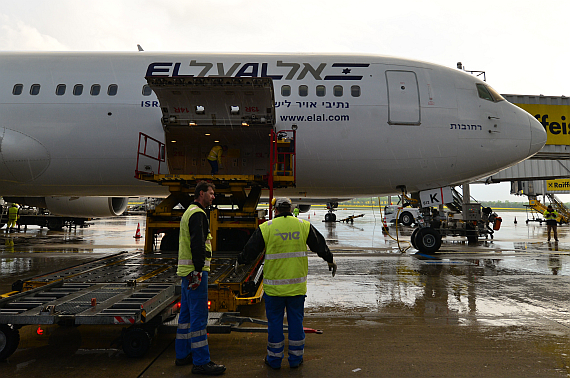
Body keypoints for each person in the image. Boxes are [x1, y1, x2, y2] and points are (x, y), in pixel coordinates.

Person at [237, 197, 337, 370]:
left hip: (274, 289)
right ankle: (296, 359)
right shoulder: (303, 226)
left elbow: (250, 250)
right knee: (296, 323)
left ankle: (274, 360)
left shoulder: (266, 228)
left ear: (275, 210)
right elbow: (319, 245)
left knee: (275, 323)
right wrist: (330, 260)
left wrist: (240, 262)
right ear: (291, 209)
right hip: (296, 288)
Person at [176, 181, 226, 375]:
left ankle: (182, 355)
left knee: (186, 317)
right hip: (195, 273)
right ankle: (201, 361)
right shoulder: (198, 214)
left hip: (185, 273)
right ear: (201, 193)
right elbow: (198, 245)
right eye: (211, 193)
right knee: (199, 318)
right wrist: (198, 271)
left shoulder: (188, 212)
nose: (213, 197)